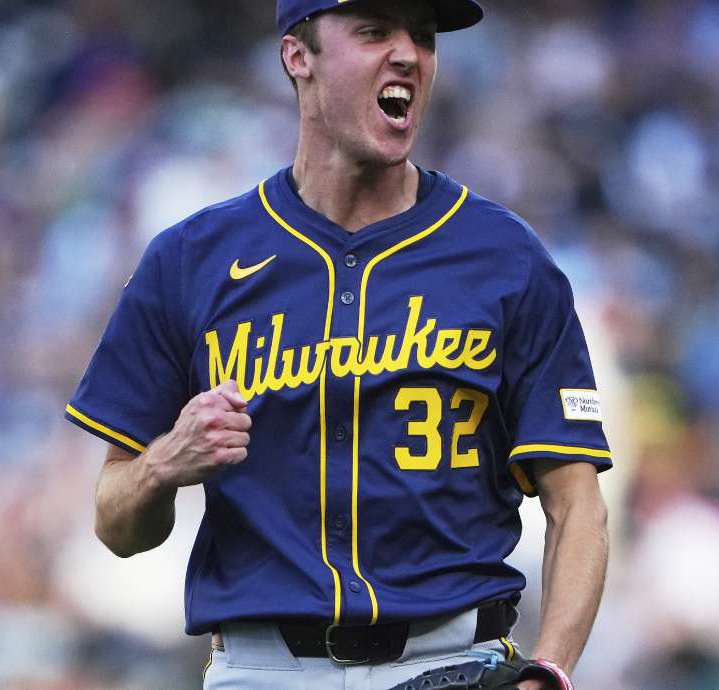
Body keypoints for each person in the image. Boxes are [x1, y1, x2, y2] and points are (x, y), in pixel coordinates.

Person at [62, 0, 611, 687]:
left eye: (425, 35)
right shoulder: (191, 259)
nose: (408, 54)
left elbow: (576, 502)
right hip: (263, 668)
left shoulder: (506, 256)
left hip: (453, 659)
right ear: (299, 57)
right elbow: (117, 524)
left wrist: (552, 668)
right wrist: (165, 463)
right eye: (376, 31)